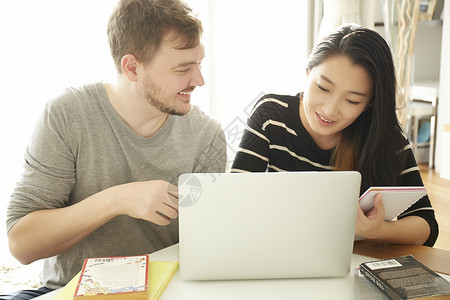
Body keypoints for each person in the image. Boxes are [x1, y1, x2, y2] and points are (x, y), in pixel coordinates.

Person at [4, 0, 226, 298]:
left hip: (164, 293)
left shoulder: (207, 136)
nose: (199, 80)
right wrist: (117, 199)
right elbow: (22, 245)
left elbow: (207, 248)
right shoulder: (68, 114)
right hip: (69, 291)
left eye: (199, 63)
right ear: (132, 67)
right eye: (183, 68)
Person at [231, 24, 438, 247]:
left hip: (353, 265)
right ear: (308, 72)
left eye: (352, 101)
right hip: (276, 250)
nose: (329, 110)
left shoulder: (384, 136)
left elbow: (426, 226)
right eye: (323, 87)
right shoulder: (271, 116)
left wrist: (378, 230)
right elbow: (234, 200)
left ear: (369, 105)